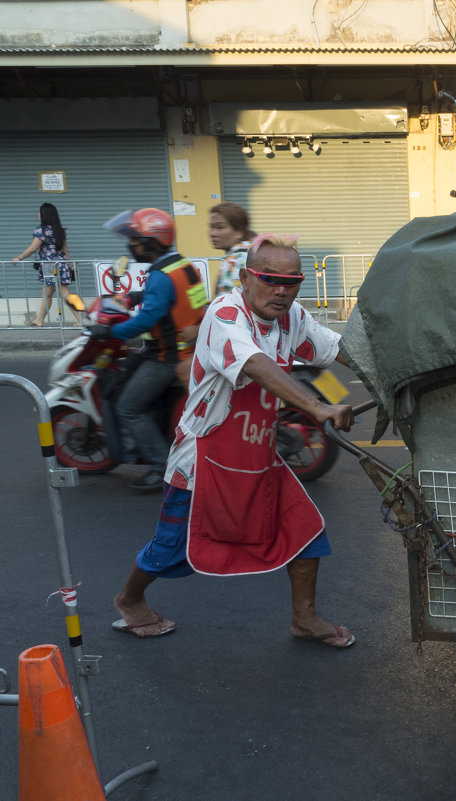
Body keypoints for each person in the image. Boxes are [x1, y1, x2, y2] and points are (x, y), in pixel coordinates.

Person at [111, 233, 356, 647]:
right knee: (171, 545)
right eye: (269, 278)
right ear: (245, 277)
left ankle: (305, 619)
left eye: (292, 281)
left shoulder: (291, 318)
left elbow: (336, 349)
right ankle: (129, 599)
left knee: (306, 530)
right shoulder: (226, 314)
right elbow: (256, 364)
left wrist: (393, 373)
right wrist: (317, 407)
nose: (281, 290)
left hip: (258, 455)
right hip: (203, 460)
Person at [89, 208, 210, 491]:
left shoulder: (159, 275)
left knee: (128, 407)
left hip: (168, 357)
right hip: (187, 349)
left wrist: (111, 331)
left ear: (152, 242)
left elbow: (146, 320)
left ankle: (160, 467)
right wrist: (137, 295)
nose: (131, 245)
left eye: (136, 239)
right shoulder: (182, 266)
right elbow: (184, 300)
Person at [11, 202, 74, 327]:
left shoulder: (41, 230)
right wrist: (70, 264)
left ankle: (81, 319)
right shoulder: (59, 230)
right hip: (61, 263)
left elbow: (33, 248)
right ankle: (39, 320)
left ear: (44, 215)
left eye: (39, 212)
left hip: (50, 265)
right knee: (47, 294)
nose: (38, 214)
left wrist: (19, 257)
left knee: (64, 293)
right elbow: (65, 250)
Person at [210, 201, 255, 296]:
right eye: (211, 227)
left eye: (220, 227)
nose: (212, 233)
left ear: (239, 231)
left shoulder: (232, 262)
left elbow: (226, 306)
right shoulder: (253, 253)